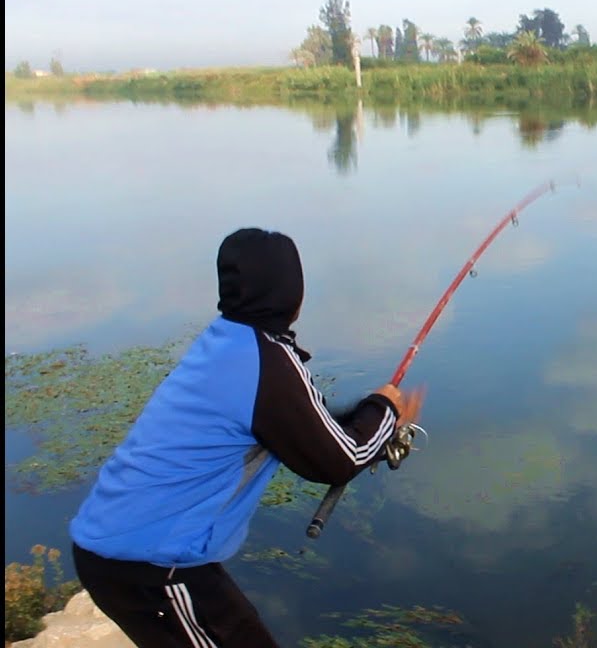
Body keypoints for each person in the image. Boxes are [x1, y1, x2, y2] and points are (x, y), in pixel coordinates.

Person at [68, 227, 424, 647]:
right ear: (294, 293)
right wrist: (387, 410)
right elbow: (337, 459)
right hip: (148, 565)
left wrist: (375, 419)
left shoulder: (228, 343)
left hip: (136, 552)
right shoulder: (266, 362)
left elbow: (308, 430)